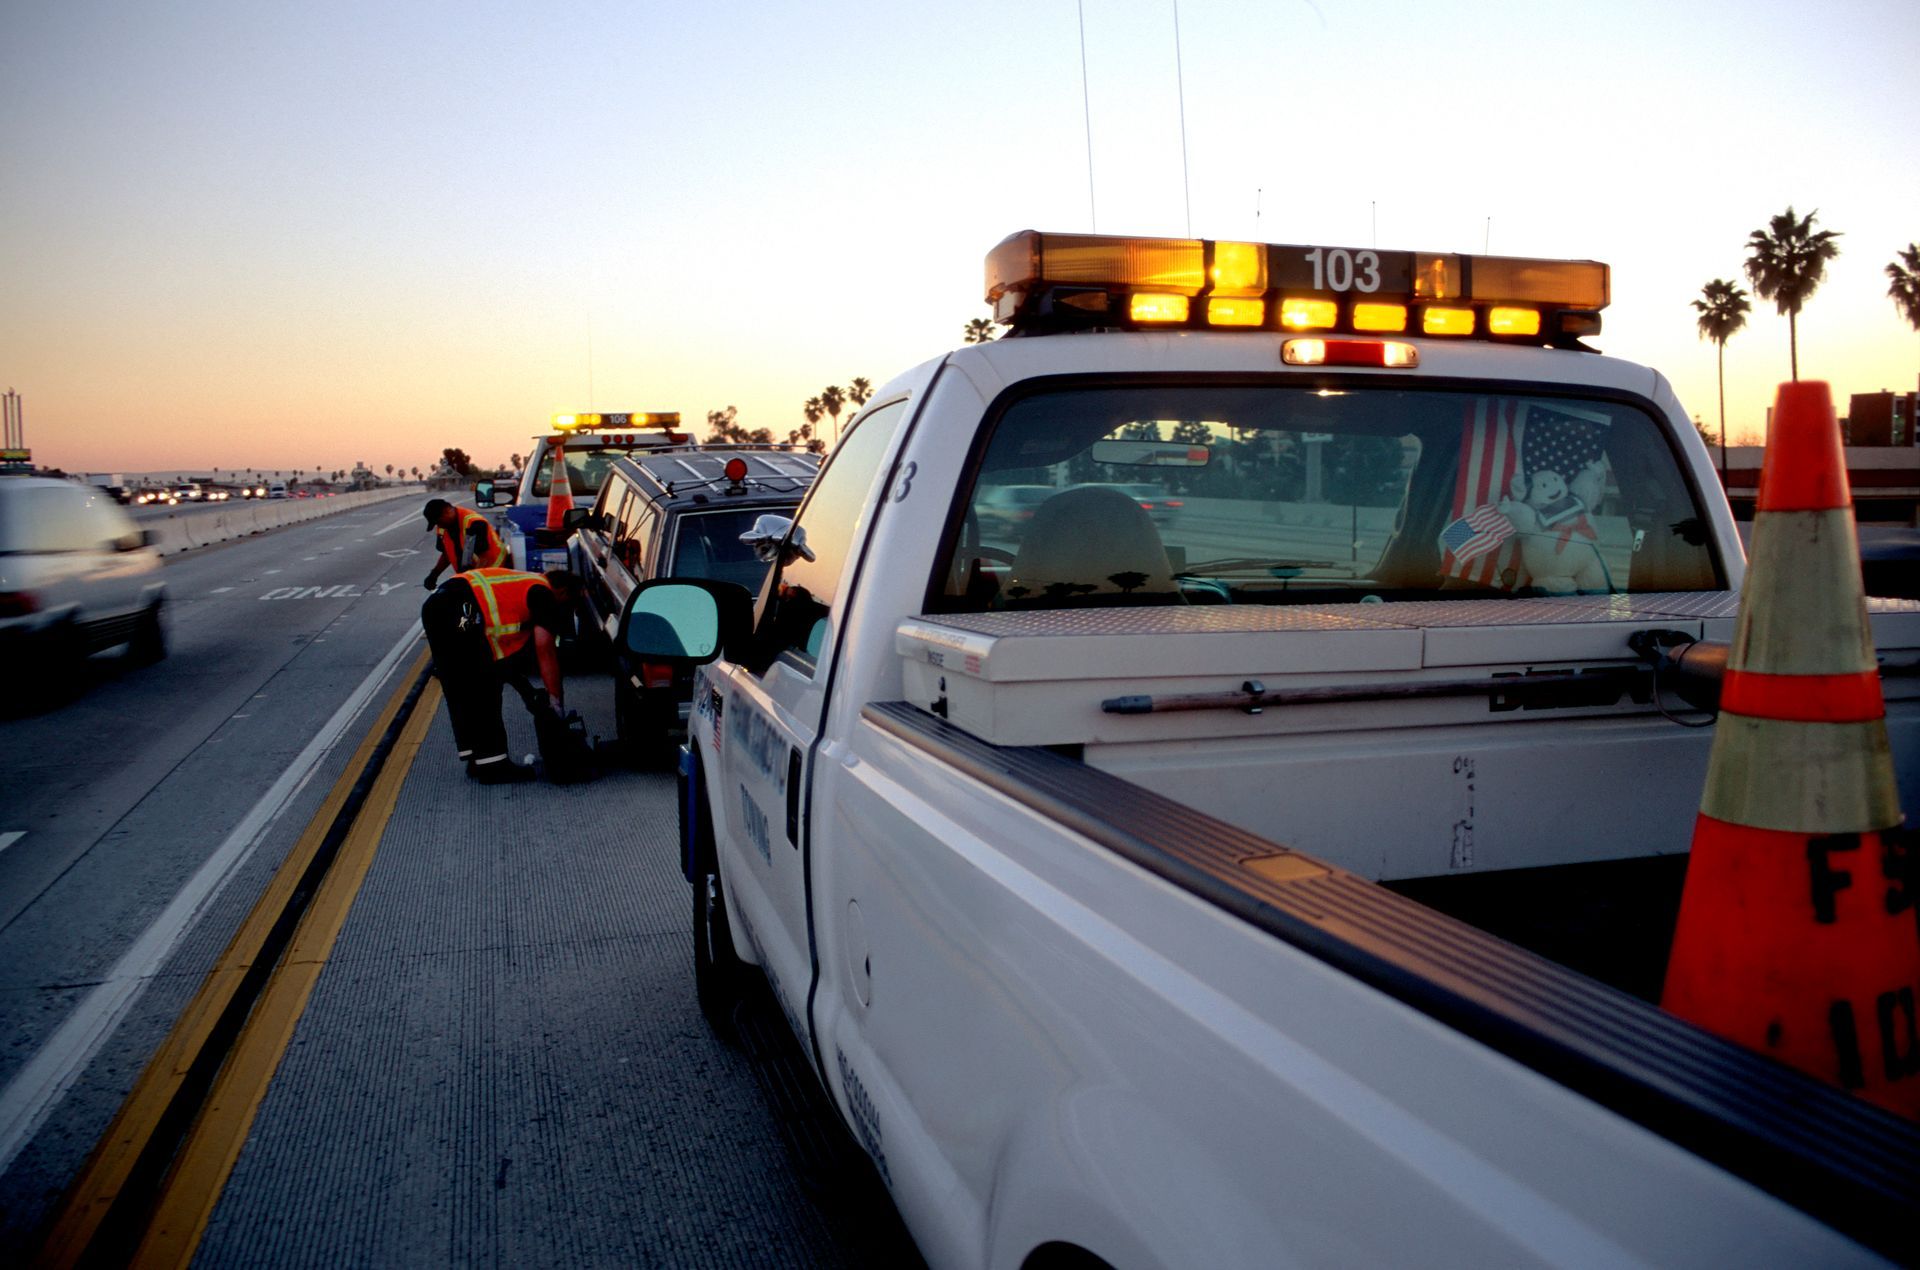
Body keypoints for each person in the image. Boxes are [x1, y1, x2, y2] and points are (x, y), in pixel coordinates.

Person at [420, 567, 583, 782]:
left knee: (460, 687)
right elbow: (546, 649)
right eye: (568, 602)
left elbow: (503, 663)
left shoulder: (519, 586)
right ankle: (493, 766)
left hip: (438, 607)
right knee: (484, 688)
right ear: (562, 591)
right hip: (461, 609)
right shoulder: (543, 593)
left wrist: (528, 692)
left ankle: (476, 759)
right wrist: (555, 702)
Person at [422, 498, 509, 590]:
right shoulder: (443, 527)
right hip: (474, 575)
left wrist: (468, 581)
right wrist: (434, 574)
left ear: (447, 511)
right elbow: (447, 554)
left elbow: (484, 558)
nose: (438, 526)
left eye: (439, 521)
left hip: (492, 575)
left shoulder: (474, 523)